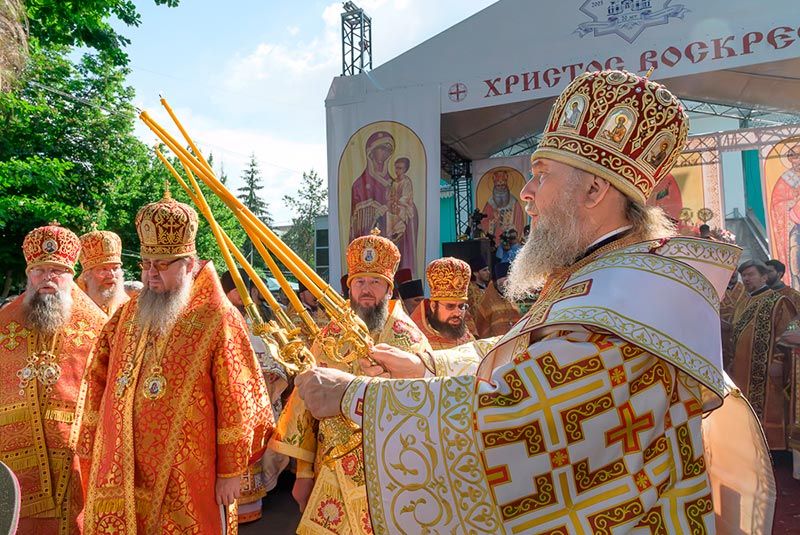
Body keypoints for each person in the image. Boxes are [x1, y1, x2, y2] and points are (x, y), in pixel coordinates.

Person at [294, 70, 775, 534]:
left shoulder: (632, 292)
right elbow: (532, 354)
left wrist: (355, 396)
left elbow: (524, 412)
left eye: (541, 175)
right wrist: (428, 365)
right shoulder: (602, 272)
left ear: (594, 189)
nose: (524, 193)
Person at [78, 190, 272, 533]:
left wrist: (230, 472)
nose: (151, 274)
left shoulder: (217, 318)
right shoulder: (127, 314)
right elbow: (97, 377)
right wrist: (92, 445)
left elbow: (238, 397)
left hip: (190, 470)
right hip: (124, 465)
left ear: (189, 264)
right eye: (146, 264)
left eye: (162, 265)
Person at [268, 229, 430, 534]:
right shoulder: (329, 335)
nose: (366, 290)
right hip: (331, 465)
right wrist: (303, 473)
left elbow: (425, 406)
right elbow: (305, 401)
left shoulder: (411, 340)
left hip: (392, 468)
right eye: (359, 282)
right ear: (350, 287)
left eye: (375, 282)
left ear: (389, 288)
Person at [0, 223, 106, 534]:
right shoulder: (3, 323)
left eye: (57, 270)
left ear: (71, 275)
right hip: (12, 455)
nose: (47, 277)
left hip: (75, 456)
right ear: (28, 275)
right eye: (40, 270)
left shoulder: (99, 326)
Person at [220, 269, 289, 525]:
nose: (241, 295)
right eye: (235, 290)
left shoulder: (259, 322)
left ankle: (254, 504)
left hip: (257, 398)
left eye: (245, 290)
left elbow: (276, 355)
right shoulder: (219, 319)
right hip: (230, 398)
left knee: (258, 443)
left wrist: (271, 374)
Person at [731, 260, 797, 452]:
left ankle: (775, 448)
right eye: (744, 275)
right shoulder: (742, 303)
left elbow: (787, 333)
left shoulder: (779, 301)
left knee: (772, 408)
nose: (746, 278)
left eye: (751, 274)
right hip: (743, 369)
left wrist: (779, 360)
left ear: (764, 277)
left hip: (768, 370)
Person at [410, 257, 475, 350]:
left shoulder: (467, 337)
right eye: (450, 306)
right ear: (433, 306)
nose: (457, 313)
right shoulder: (415, 340)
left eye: (461, 306)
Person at [77, 227, 129, 317]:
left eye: (115, 268)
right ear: (87, 274)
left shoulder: (127, 305)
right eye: (104, 269)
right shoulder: (73, 301)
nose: (111, 275)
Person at [769, 142, 800, 289]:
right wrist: (793, 201)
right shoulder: (787, 178)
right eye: (795, 157)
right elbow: (777, 203)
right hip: (796, 228)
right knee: (795, 261)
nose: (798, 160)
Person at [385, 157, 419, 274]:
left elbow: (406, 197)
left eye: (400, 168)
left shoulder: (406, 182)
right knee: (387, 216)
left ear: (405, 169)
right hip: (394, 207)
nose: (397, 170)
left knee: (397, 219)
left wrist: (397, 202)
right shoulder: (393, 182)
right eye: (396, 168)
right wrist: (390, 200)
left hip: (404, 208)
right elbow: (390, 195)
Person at [474, 261, 521, 338]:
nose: (509, 280)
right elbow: (481, 326)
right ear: (498, 280)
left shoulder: (513, 298)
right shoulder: (487, 300)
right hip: (494, 342)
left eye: (511, 277)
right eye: (505, 277)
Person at [480, 170, 526, 243]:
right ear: (494, 186)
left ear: (506, 185)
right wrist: (494, 220)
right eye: (498, 186)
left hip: (511, 237)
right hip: (497, 238)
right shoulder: (490, 203)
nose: (501, 188)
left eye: (503, 185)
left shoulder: (514, 202)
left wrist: (513, 230)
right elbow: (484, 222)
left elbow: (519, 221)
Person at [719, 271, 746, 371]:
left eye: (735, 269)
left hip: (739, 334)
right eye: (730, 270)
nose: (733, 273)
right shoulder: (717, 289)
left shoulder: (745, 289)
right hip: (719, 334)